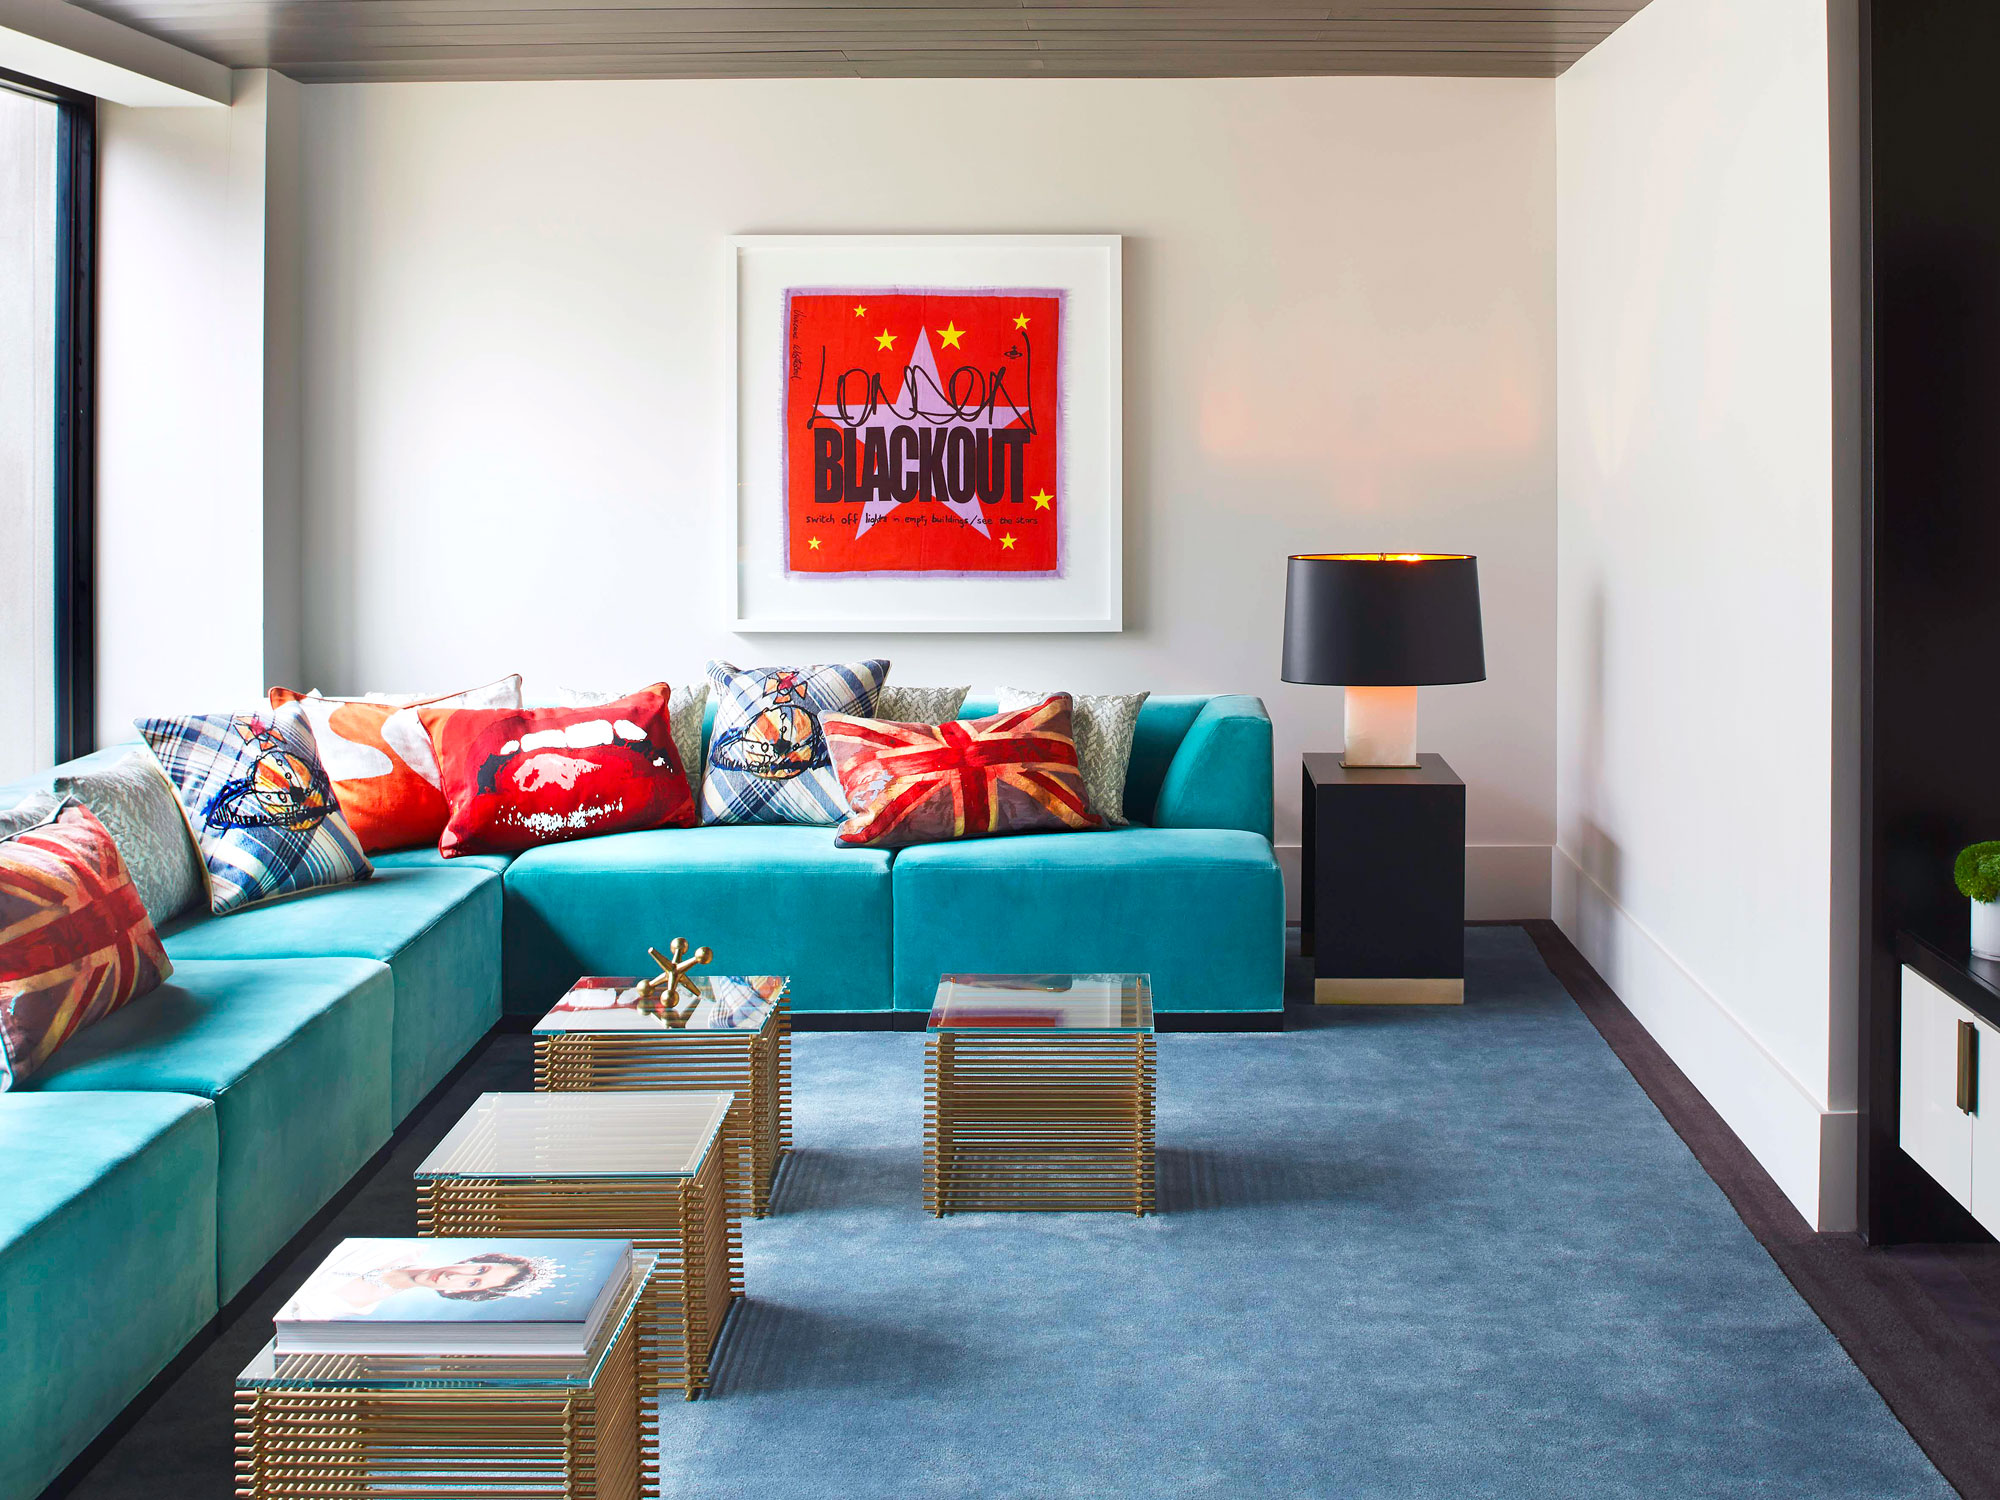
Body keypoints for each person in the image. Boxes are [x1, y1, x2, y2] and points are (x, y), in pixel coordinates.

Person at [280, 1243, 552, 1321]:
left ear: (457, 1293)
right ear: (473, 1259)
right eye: (479, 1268)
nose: (455, 1276)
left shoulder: (362, 1309)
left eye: (473, 1284)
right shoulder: (400, 1246)